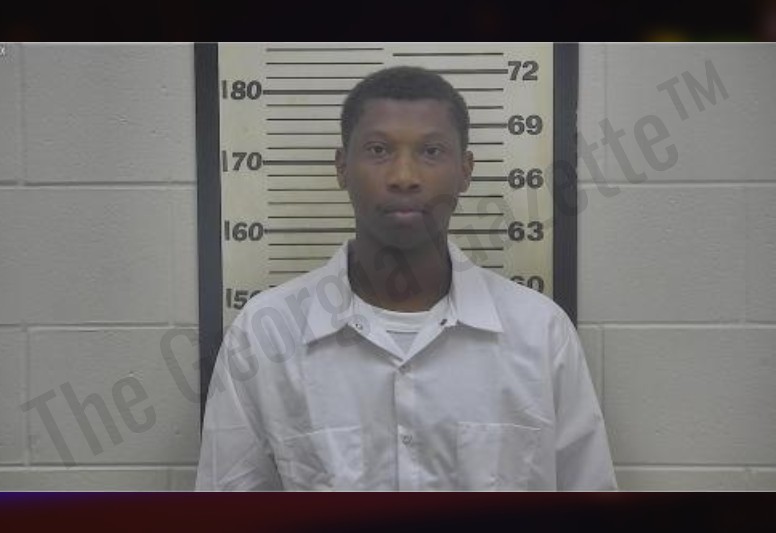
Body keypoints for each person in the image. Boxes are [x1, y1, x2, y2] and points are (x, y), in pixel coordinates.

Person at [196, 66, 617, 491]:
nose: (404, 177)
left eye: (431, 151)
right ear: (342, 167)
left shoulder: (541, 333)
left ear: (465, 170)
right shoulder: (264, 337)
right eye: (378, 150)